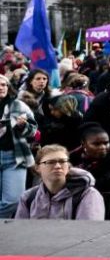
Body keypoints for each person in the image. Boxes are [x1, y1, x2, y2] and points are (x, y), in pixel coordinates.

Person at [15, 145, 104, 220]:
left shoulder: (87, 194)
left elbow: (88, 234)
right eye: (50, 162)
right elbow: (20, 232)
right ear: (37, 168)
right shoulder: (28, 197)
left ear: (68, 166)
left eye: (62, 162)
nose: (57, 166)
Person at [69, 123, 110, 220]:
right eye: (96, 144)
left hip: (105, 204)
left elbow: (107, 183)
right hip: (70, 201)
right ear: (83, 143)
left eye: (106, 143)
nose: (103, 147)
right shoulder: (71, 157)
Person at [0, 75, 39, 218]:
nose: (1, 87)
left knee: (14, 201)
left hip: (15, 158)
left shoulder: (18, 105)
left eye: (4, 85)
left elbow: (33, 132)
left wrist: (24, 125)